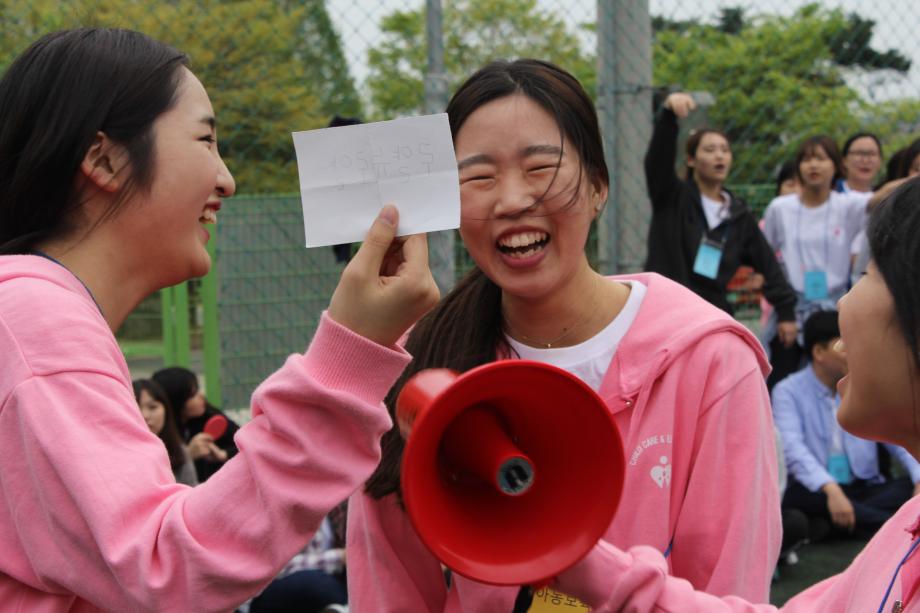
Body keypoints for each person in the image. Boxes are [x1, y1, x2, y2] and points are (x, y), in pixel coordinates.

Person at [0, 28, 439, 610]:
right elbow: (166, 566)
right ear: (103, 158)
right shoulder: (34, 319)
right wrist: (349, 356)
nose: (227, 180)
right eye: (206, 141)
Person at [347, 59, 781, 612]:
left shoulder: (712, 361)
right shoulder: (418, 363)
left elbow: (731, 587)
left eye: (540, 168)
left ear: (598, 186)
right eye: (477, 177)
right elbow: (390, 590)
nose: (510, 200)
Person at [541, 176, 920, 612]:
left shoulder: (717, 353)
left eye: (869, 274)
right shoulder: (905, 528)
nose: (843, 303)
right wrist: (603, 574)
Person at [643, 91, 797, 347]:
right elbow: (656, 162)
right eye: (710, 150)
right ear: (691, 160)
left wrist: (786, 311)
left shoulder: (737, 214)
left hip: (711, 317)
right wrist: (668, 117)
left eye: (725, 150)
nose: (719, 156)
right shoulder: (672, 197)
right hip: (667, 314)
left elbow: (768, 264)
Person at [774, 310, 920, 542]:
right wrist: (831, 489)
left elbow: (897, 435)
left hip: (865, 488)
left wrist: (919, 477)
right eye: (841, 345)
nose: (851, 352)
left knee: (905, 489)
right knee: (799, 499)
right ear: (819, 352)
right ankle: (893, 527)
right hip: (819, 489)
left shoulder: (865, 383)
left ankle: (843, 524)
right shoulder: (787, 391)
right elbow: (792, 450)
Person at [761, 135, 873, 389]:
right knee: (781, 382)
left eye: (821, 158)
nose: (813, 165)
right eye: (807, 159)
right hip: (792, 312)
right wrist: (785, 311)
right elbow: (766, 262)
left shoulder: (848, 205)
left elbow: (880, 199)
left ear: (836, 165)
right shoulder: (780, 208)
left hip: (834, 312)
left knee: (838, 384)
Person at [152, 365, 239, 482]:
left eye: (198, 389)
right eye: (192, 395)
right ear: (176, 402)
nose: (202, 395)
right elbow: (155, 473)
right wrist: (187, 455)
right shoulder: (158, 431)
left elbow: (246, 445)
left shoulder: (210, 416)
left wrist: (223, 454)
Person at [133, 378, 198, 486]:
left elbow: (190, 491)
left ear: (166, 411)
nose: (145, 415)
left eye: (153, 407)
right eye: (136, 408)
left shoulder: (179, 451)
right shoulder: (117, 455)